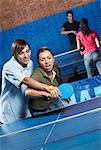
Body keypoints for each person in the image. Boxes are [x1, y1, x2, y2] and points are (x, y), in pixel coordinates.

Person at [0, 39, 60, 124]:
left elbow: (31, 85)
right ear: (15, 55)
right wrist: (48, 88)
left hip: (25, 109)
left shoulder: (30, 63)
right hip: (10, 113)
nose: (26, 56)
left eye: (27, 51)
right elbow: (26, 80)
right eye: (21, 53)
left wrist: (45, 94)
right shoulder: (8, 67)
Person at [26, 47, 65, 116]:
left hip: (53, 102)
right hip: (40, 110)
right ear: (39, 62)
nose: (47, 62)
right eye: (42, 60)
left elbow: (57, 84)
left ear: (53, 58)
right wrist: (45, 94)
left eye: (49, 58)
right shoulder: (37, 75)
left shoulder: (56, 70)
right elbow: (27, 92)